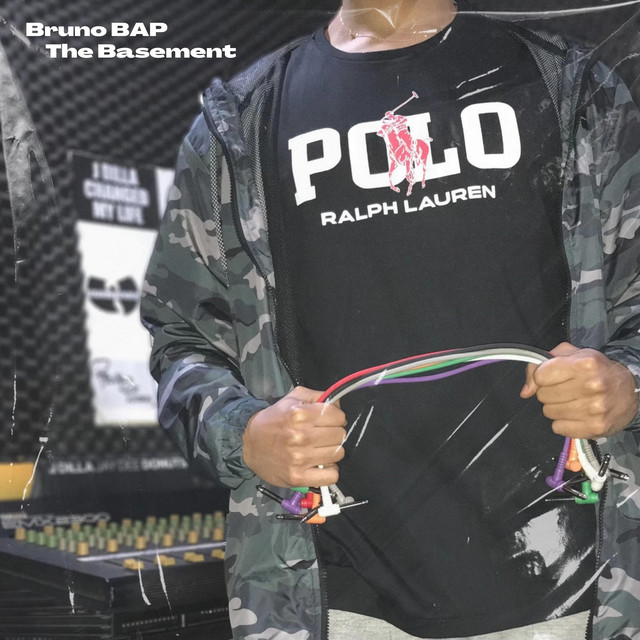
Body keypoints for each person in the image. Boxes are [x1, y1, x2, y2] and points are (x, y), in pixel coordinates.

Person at [141, 1, 640, 638]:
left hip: (571, 590)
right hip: (327, 594)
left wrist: (627, 383)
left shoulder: (572, 87)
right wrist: (243, 432)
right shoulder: (238, 122)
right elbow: (180, 334)